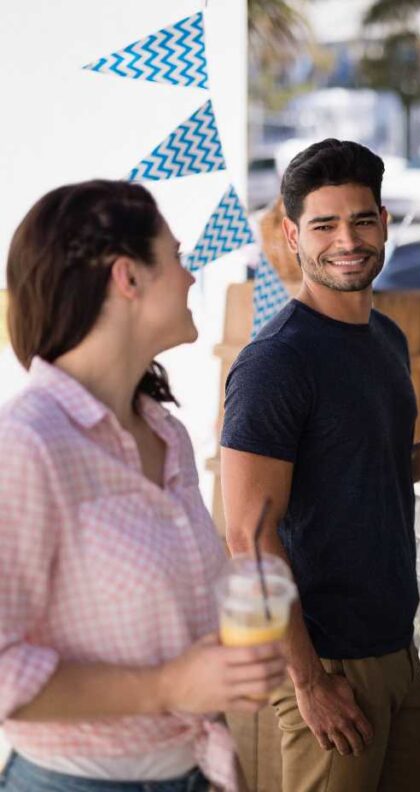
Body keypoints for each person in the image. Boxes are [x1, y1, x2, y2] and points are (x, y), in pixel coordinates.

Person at [219, 139, 420, 792]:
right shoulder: (275, 363)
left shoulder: (386, 339)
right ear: (292, 235)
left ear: (384, 224)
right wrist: (309, 681)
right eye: (324, 224)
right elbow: (248, 537)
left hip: (397, 645)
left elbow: (370, 474)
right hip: (325, 660)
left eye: (362, 219)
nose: (347, 239)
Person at [0, 180, 286, 792]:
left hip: (192, 773)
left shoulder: (170, 436)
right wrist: (170, 688)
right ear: (127, 278)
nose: (189, 277)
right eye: (178, 257)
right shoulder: (27, 446)